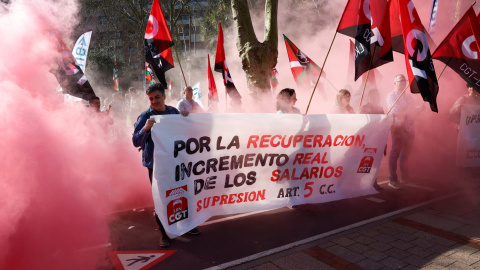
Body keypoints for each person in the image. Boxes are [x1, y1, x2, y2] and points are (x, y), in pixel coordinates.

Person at [132, 83, 200, 248]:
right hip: (156, 165)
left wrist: (184, 117)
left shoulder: (173, 112)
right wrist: (146, 128)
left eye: (157, 97)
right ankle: (164, 233)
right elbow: (135, 141)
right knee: (162, 198)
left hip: (176, 161)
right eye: (150, 99)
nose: (154, 101)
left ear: (164, 96)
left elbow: (185, 131)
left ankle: (187, 225)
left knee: (183, 192)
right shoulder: (145, 116)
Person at [386, 74, 424, 189]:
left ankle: (404, 176)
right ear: (395, 83)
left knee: (405, 153)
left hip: (409, 127)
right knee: (395, 153)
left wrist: (419, 110)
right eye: (400, 81)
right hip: (398, 127)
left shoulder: (409, 97)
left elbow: (412, 114)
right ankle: (392, 179)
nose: (403, 83)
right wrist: (412, 110)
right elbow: (398, 112)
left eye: (404, 81)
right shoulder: (391, 96)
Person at [360, 89, 385, 191]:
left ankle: (374, 182)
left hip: (378, 138)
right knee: (366, 161)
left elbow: (384, 122)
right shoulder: (364, 108)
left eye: (375, 96)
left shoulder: (380, 108)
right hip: (368, 138)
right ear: (368, 97)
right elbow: (361, 122)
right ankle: (362, 183)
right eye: (371, 96)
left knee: (376, 162)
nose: (373, 98)